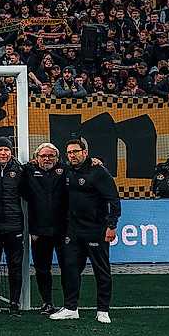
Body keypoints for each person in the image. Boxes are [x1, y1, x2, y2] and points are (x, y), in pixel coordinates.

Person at [52, 137, 122, 324]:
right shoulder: (67, 171)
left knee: (101, 270)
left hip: (96, 230)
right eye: (69, 152)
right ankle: (70, 307)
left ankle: (103, 310)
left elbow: (113, 200)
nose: (72, 155)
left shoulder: (98, 171)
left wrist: (112, 225)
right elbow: (46, 162)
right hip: (73, 230)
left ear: (85, 152)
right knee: (71, 269)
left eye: (76, 151)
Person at [20, 143, 69, 314]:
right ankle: (47, 302)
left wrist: (95, 161)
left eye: (51, 156)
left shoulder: (66, 171)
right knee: (42, 269)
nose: (47, 159)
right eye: (43, 156)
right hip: (39, 231)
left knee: (68, 268)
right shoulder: (28, 171)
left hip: (63, 230)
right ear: (36, 158)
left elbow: (83, 166)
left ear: (57, 158)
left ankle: (69, 303)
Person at [0, 136, 25, 317]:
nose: (3, 153)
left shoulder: (20, 170)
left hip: (14, 226)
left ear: (11, 152)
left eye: (6, 150)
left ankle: (14, 304)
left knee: (14, 266)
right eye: (0, 150)